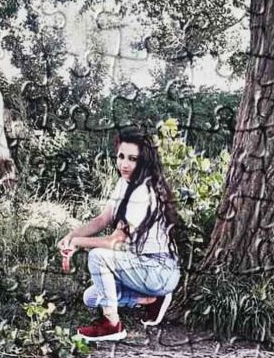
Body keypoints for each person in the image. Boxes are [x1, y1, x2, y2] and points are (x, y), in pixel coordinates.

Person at [57, 129, 182, 342]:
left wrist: (79, 243)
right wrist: (70, 237)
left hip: (159, 270)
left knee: (97, 256)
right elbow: (102, 219)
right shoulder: (125, 183)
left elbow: (115, 241)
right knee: (91, 298)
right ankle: (151, 300)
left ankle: (112, 325)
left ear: (144, 161)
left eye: (132, 159)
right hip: (139, 265)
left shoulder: (143, 192)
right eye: (121, 156)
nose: (124, 164)